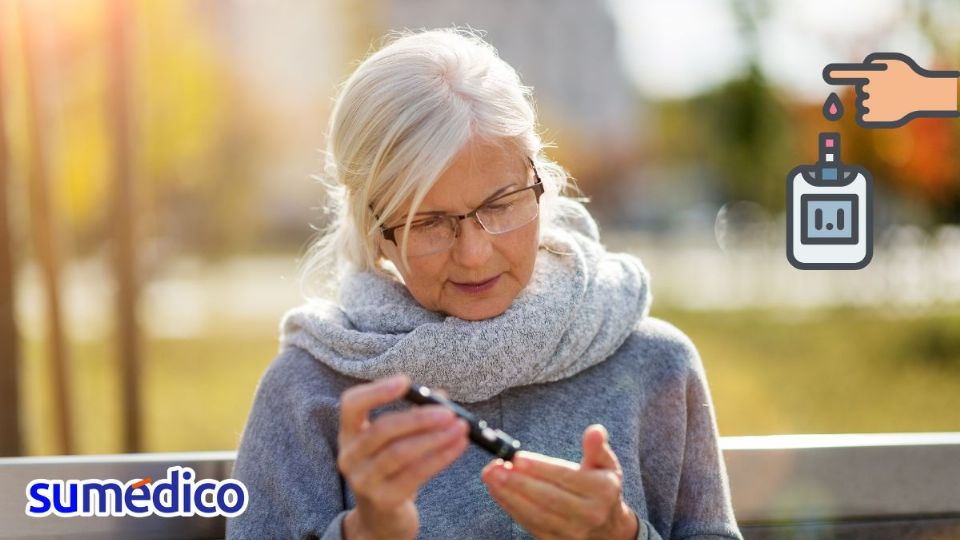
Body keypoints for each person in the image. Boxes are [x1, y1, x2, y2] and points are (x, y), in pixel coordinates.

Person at [226, 27, 742, 540]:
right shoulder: (307, 392)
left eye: (500, 205)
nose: (474, 255)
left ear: (541, 186)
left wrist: (623, 535)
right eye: (426, 223)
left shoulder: (657, 366)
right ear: (373, 232)